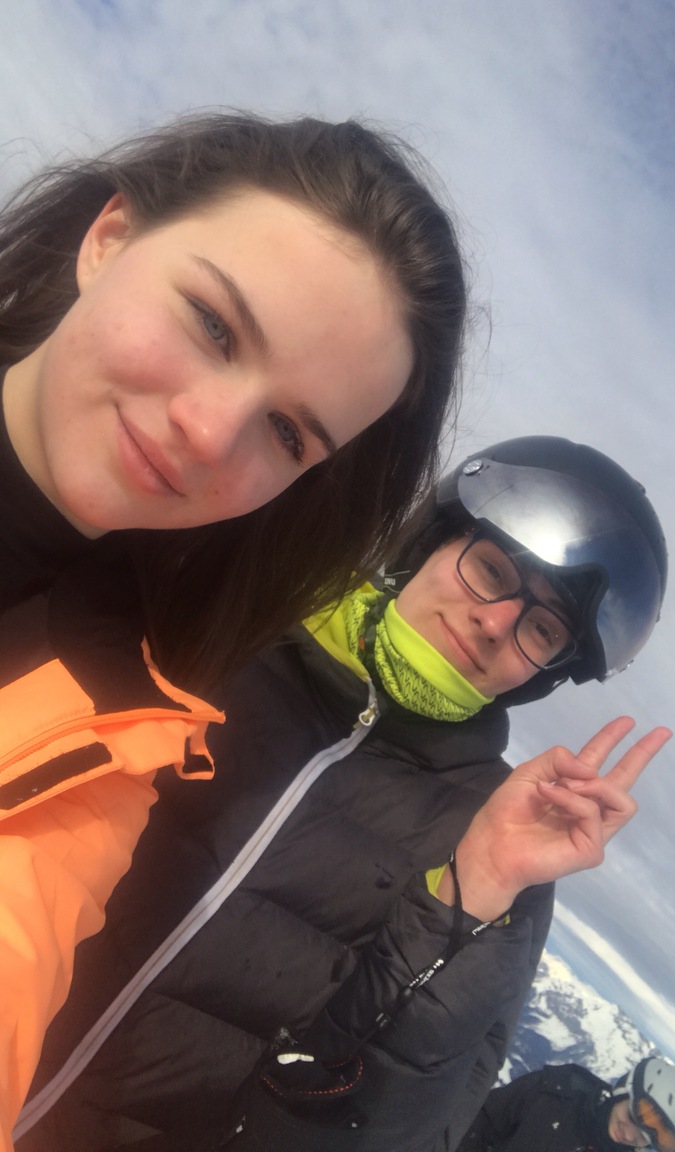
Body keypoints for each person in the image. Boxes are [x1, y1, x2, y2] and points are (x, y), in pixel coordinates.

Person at [0, 110, 468, 1146]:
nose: (210, 434)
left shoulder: (115, 749)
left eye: (288, 432)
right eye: (214, 325)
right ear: (110, 237)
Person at [16, 436, 670, 1152]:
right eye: (491, 569)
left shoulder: (499, 837)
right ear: (430, 541)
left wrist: (469, 895)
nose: (494, 623)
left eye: (541, 629)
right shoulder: (231, 619)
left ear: (543, 675)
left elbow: (390, 1130)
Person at [456, 1056, 675, 1152]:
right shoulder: (553, 1094)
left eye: (642, 1138)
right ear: (623, 1091)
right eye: (632, 1117)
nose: (628, 1135)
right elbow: (473, 1123)